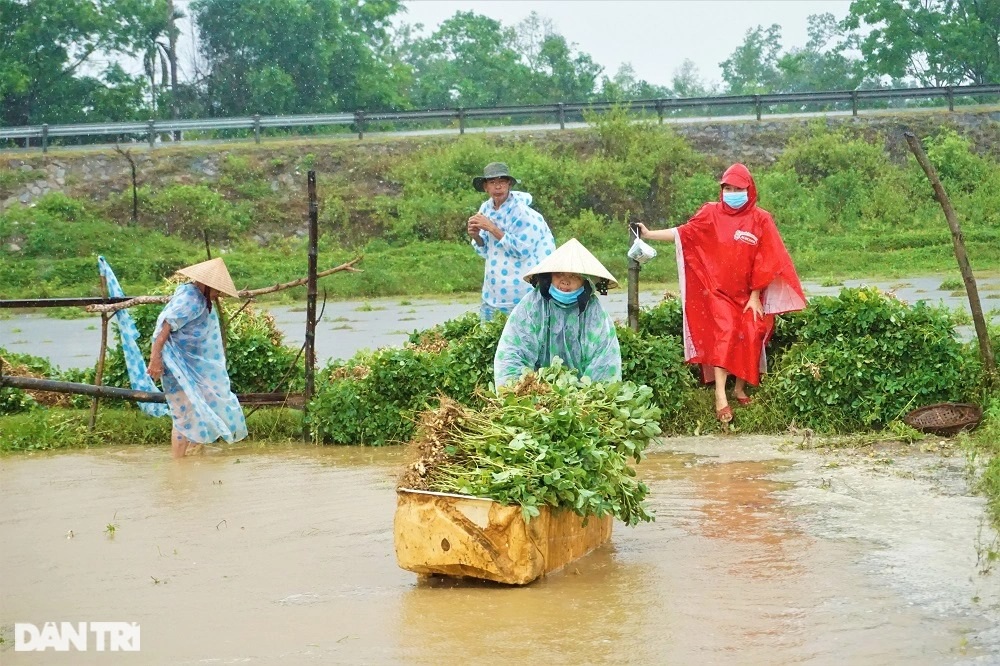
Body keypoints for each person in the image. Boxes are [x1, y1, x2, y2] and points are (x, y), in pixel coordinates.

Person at [637, 163, 805, 424]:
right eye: (728, 188)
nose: (733, 192)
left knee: (751, 331)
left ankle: (739, 388)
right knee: (725, 334)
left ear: (749, 190)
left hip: (748, 294)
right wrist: (648, 234)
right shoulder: (710, 213)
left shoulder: (761, 219)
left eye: (738, 188)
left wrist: (754, 296)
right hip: (718, 292)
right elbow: (684, 233)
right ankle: (720, 396)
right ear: (721, 190)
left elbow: (767, 259)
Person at [147, 258, 248, 457]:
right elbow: (164, 326)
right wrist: (155, 358)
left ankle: (189, 460)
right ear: (206, 284)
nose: (218, 294)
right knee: (183, 417)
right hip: (178, 366)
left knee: (195, 411)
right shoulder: (191, 299)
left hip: (191, 366)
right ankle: (178, 467)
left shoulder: (197, 297)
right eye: (217, 289)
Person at [494, 238, 622, 387]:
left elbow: (604, 365)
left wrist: (585, 400)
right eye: (559, 274)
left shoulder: (595, 314)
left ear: (586, 281)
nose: (565, 281)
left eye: (574, 276)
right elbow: (512, 355)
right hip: (535, 394)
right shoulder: (532, 307)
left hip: (582, 400)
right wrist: (524, 392)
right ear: (549, 276)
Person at [467, 162, 556, 321]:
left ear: (509, 184)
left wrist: (492, 228)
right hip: (493, 291)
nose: (498, 187)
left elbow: (521, 250)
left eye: (502, 182)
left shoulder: (523, 213)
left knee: (519, 341)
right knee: (490, 340)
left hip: (521, 291)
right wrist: (476, 236)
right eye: (492, 183)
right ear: (486, 187)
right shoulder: (486, 208)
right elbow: (485, 249)